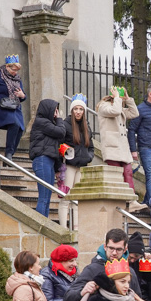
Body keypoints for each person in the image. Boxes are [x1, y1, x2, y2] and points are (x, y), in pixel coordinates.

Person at [96, 87, 141, 206]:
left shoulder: (118, 107)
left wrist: (128, 99)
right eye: (120, 98)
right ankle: (119, 201)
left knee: (128, 172)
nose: (121, 101)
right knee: (116, 175)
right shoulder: (103, 106)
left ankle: (132, 201)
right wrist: (117, 98)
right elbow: (115, 111)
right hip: (112, 147)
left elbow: (134, 113)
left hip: (122, 148)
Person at [60, 94, 95, 229]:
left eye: (81, 109)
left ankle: (76, 228)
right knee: (65, 198)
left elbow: (91, 146)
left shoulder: (86, 126)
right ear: (72, 110)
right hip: (69, 166)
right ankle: (63, 228)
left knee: (77, 199)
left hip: (81, 167)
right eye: (76, 109)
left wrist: (89, 157)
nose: (78, 112)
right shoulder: (65, 124)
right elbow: (60, 144)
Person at [28, 99, 65, 218]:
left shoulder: (48, 124)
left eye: (56, 111)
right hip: (42, 160)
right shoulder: (41, 122)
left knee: (47, 197)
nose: (56, 113)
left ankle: (45, 225)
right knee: (44, 197)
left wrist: (57, 169)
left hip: (48, 161)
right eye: (54, 110)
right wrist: (59, 119)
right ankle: (40, 227)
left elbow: (53, 149)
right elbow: (61, 132)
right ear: (47, 109)